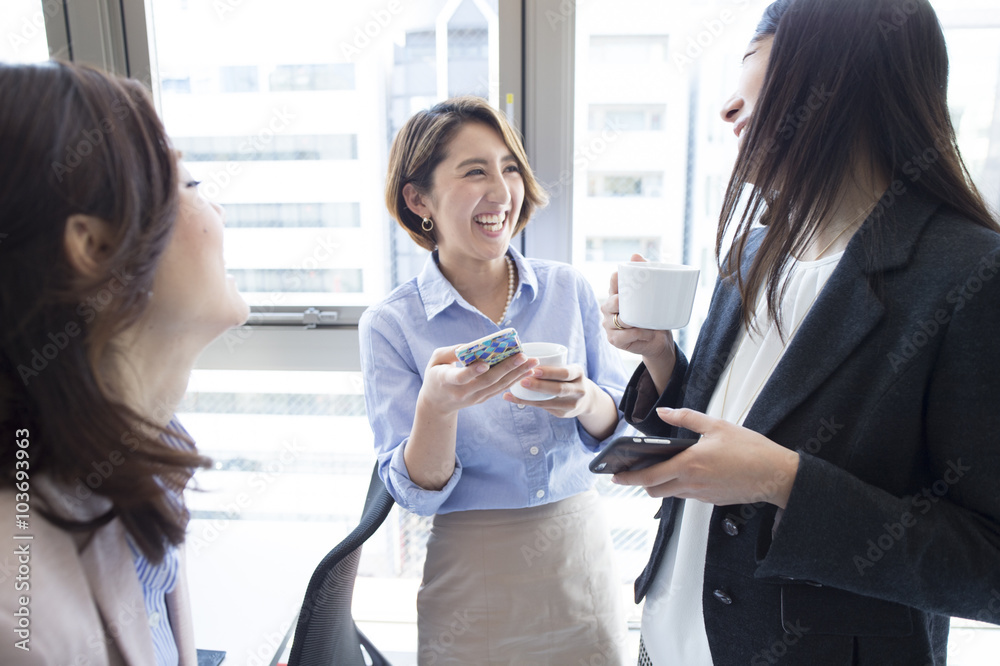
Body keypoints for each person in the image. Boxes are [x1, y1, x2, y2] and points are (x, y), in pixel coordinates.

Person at [601, 0, 1000, 664]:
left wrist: (784, 481)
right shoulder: (757, 249)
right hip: (669, 642)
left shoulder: (970, 274)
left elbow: (989, 568)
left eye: (753, 61)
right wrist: (662, 357)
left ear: (837, 74)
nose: (728, 106)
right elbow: (723, 428)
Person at [361, 95, 631, 664]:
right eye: (475, 171)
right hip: (471, 580)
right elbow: (414, 493)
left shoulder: (567, 289)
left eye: (510, 168)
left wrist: (585, 399)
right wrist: (436, 410)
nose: (502, 191)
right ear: (418, 199)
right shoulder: (391, 325)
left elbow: (617, 430)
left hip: (578, 563)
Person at [0, 62, 249, 664]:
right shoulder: (18, 617)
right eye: (187, 185)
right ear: (95, 249)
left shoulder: (139, 452)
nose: (219, 216)